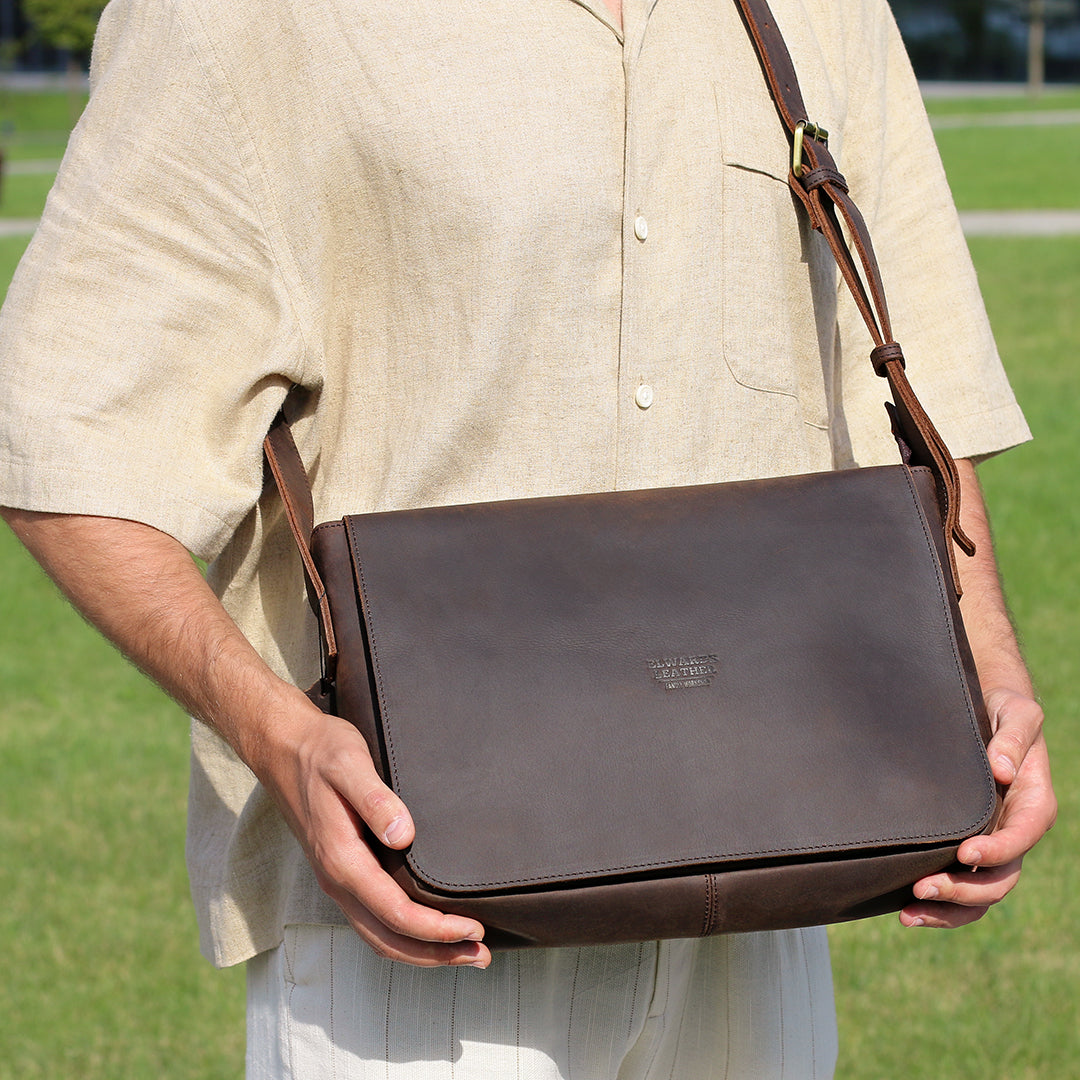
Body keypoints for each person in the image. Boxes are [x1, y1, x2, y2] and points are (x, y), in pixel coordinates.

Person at [0, 0, 1056, 1075]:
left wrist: (996, 687)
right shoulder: (246, 19)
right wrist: (280, 740)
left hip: (766, 890)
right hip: (419, 934)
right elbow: (59, 436)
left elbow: (921, 401)